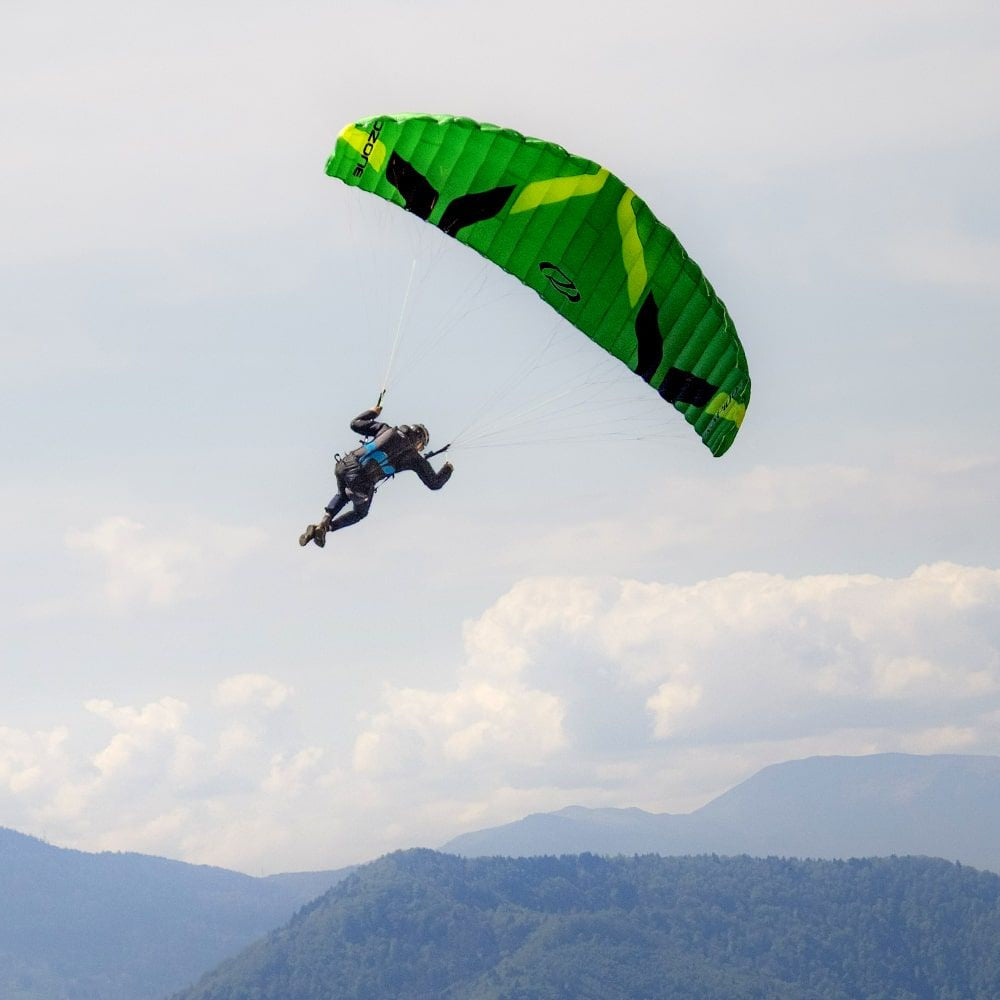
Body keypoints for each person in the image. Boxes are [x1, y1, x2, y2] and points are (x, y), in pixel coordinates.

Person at [299, 405, 453, 547]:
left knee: (343, 494)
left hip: (344, 465)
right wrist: (448, 468)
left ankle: (322, 525)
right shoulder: (414, 458)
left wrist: (373, 412)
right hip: (361, 481)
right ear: (419, 443)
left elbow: (355, 423)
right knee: (360, 512)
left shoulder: (385, 429)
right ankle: (329, 528)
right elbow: (435, 483)